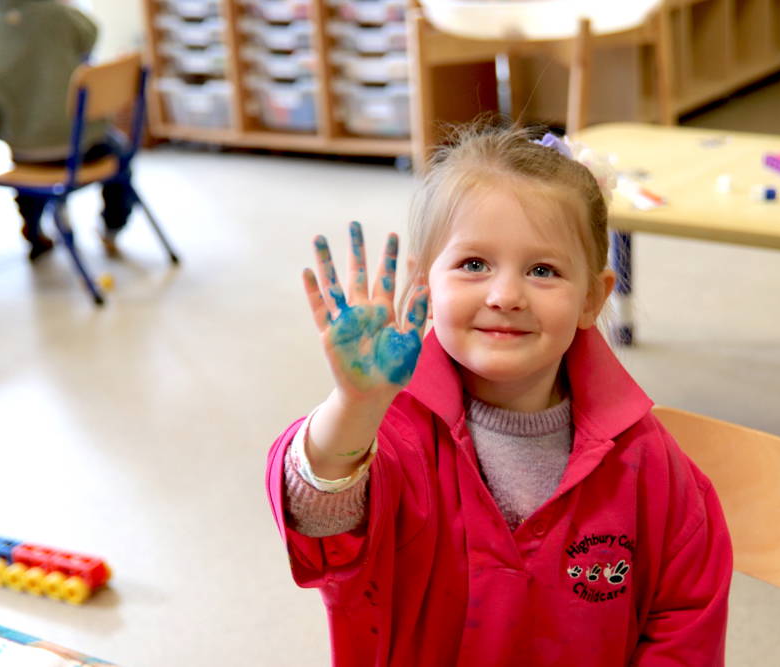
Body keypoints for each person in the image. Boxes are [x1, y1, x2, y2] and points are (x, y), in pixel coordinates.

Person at [266, 123, 732, 666]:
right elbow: (318, 517)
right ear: (424, 286)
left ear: (591, 297)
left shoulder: (652, 467)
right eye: (473, 264)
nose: (505, 295)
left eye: (542, 270)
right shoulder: (389, 433)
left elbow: (683, 627)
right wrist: (354, 405)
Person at [0, 0, 133, 260]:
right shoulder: (58, 13)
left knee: (25, 154)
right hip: (84, 147)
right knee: (120, 151)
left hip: (25, 152)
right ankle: (113, 224)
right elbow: (90, 37)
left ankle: (34, 231)